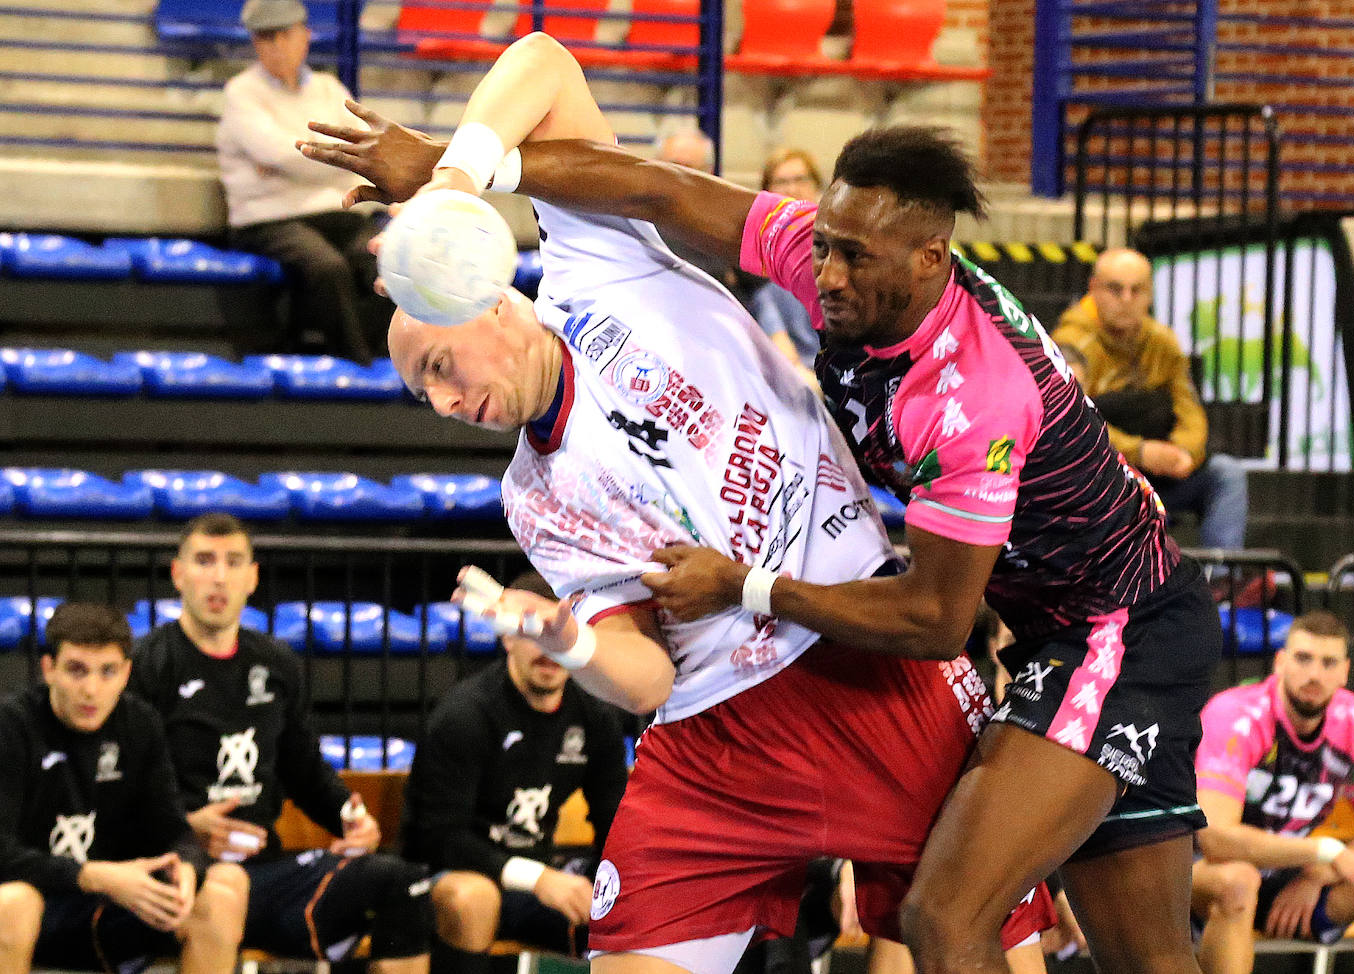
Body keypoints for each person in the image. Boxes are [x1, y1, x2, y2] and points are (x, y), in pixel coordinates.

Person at [303, 78, 1228, 974]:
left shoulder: (965, 398)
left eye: (438, 365)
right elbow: (658, 187)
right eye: (822, 247)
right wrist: (447, 174)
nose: (822, 276)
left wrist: (744, 586)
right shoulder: (828, 266)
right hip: (741, 709)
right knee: (1144, 957)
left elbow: (938, 619)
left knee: (947, 919)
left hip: (1072, 632)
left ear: (928, 261)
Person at [128, 513, 433, 974]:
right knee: (222, 889)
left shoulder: (275, 663)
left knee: (403, 883)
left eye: (233, 562)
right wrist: (186, 826)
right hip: (184, 872)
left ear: (253, 577)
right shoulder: (147, 665)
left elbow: (303, 767)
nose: (218, 576)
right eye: (204, 560)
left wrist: (349, 818)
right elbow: (118, 788)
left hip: (267, 870)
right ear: (177, 574)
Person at [0, 602, 248, 974]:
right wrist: (94, 875)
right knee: (13, 903)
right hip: (38, 899)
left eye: (108, 672)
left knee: (223, 889)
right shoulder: (12, 724)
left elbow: (175, 831)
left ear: (127, 673)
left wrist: (184, 871)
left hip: (110, 905)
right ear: (48, 669)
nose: (91, 689)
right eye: (76, 670)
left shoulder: (140, 724)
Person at [400, 571, 629, 973]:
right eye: (533, 634)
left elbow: (617, 822)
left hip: (538, 882)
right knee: (473, 897)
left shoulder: (594, 718)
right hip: (449, 877)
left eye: (558, 636)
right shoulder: (465, 714)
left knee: (629, 905)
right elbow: (439, 839)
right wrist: (538, 878)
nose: (548, 651)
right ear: (507, 636)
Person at [1192, 610, 1354, 974]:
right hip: (1193, 870)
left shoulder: (1352, 721)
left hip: (1284, 873)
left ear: (1344, 672)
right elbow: (1214, 840)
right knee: (1240, 881)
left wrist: (1318, 874)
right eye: (1303, 658)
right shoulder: (1235, 716)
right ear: (1280, 662)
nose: (1314, 674)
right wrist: (1324, 852)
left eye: (1328, 663)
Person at [217, 0, 392, 362]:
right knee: (327, 268)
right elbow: (278, 152)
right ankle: (356, 364)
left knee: (387, 257)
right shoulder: (241, 93)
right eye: (266, 38)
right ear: (255, 43)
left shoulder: (328, 88)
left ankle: (382, 358)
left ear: (305, 37)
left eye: (285, 35)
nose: (277, 46)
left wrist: (292, 159)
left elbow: (360, 148)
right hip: (268, 220)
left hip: (335, 213)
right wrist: (330, 158)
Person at [1053, 247, 1250, 550]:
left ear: (1150, 294)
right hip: (1105, 478)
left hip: (1162, 475)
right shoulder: (1071, 345)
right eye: (1115, 289)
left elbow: (1191, 410)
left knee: (1226, 474)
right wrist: (1141, 452)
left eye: (1138, 290)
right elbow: (1072, 425)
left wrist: (1183, 453)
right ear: (1093, 289)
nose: (1127, 300)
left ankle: (1222, 580)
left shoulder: (1163, 342)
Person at [750, 148, 824, 371]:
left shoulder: (838, 239)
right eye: (781, 182)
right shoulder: (755, 244)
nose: (792, 189)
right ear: (767, 192)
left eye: (800, 179)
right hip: (787, 366)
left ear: (817, 187)